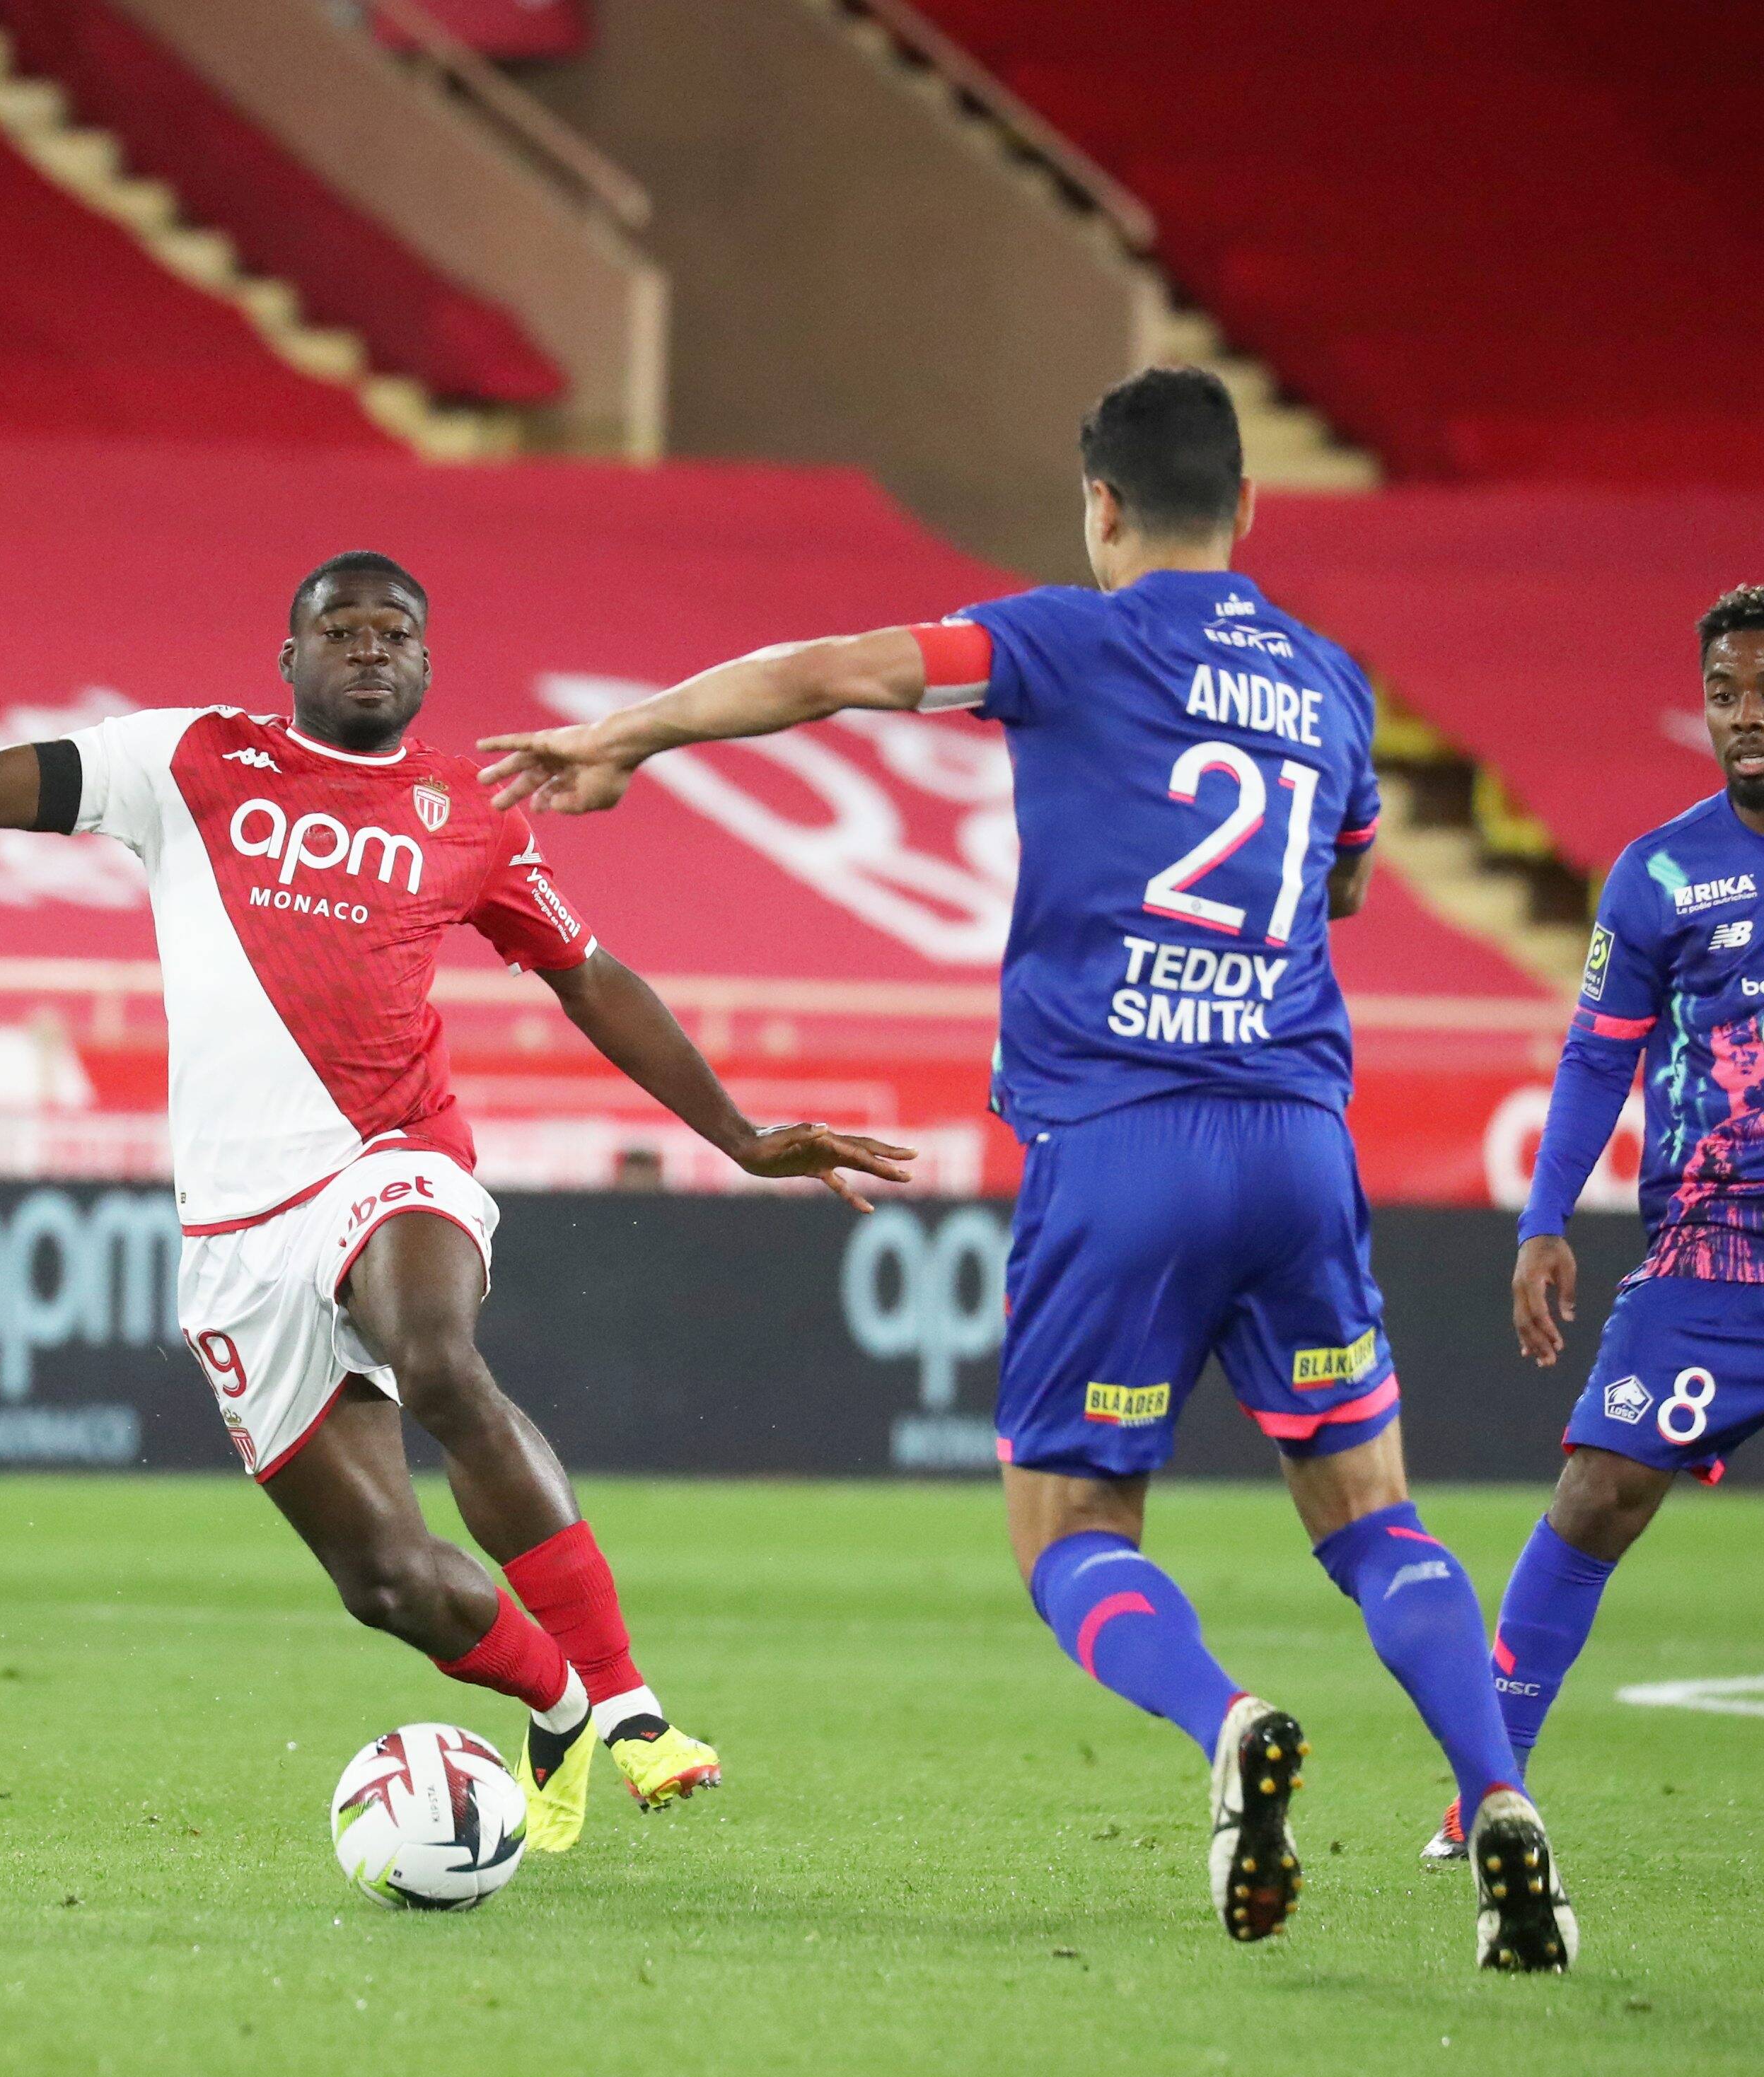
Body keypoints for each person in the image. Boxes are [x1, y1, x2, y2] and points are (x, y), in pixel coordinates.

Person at [477, 364, 1574, 1973]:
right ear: (1247, 509)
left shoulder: (1068, 635)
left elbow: (835, 671)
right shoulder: (1333, 686)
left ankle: (1227, 1720)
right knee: (1369, 1515)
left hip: (1119, 1139)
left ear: (1103, 506)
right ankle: (1496, 1795)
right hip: (1296, 1142)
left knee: (1066, 1526)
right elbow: (1339, 886)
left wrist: (628, 733)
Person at [0, 537, 913, 1854]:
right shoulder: (183, 760)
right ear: (288, 659)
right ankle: (550, 1700)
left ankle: (627, 1705)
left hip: (391, 1159)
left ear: (431, 664)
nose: (372, 644)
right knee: (385, 1580)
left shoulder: (471, 807)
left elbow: (590, 976)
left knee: (437, 1357)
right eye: (342, 628)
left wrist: (734, 1132)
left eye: (397, 630)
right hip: (232, 1232)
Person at [1420, 584, 1764, 1862]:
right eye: (1724, 694)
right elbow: (1593, 1059)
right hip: (1716, 1255)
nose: (1745, 718)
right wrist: (1546, 1217)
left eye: (1763, 690)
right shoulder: (1662, 871)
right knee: (1597, 1491)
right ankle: (1487, 1786)